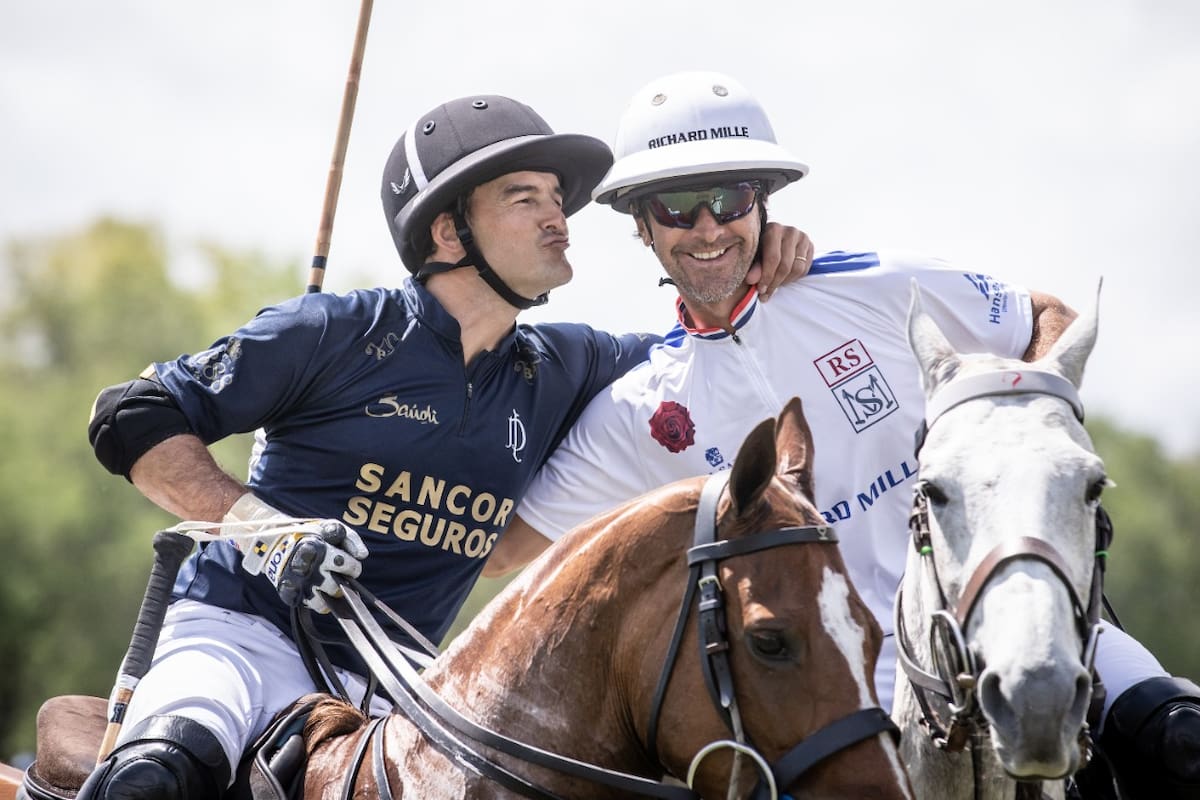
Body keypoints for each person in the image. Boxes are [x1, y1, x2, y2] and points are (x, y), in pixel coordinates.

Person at [79, 92, 812, 800]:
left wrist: (758, 260)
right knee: (160, 775)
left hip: (397, 688)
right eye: (525, 198)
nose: (558, 217)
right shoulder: (336, 331)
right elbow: (130, 414)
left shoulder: (568, 367)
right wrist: (260, 528)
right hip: (241, 638)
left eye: (557, 198)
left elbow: (704, 351)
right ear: (449, 233)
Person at [503, 71, 1200, 799]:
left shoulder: (878, 288)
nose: (708, 227)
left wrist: (1023, 459)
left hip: (1005, 618)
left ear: (762, 201)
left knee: (1179, 740)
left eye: (730, 198)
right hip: (832, 697)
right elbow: (506, 549)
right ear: (640, 224)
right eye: (676, 206)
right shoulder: (637, 413)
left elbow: (1045, 319)